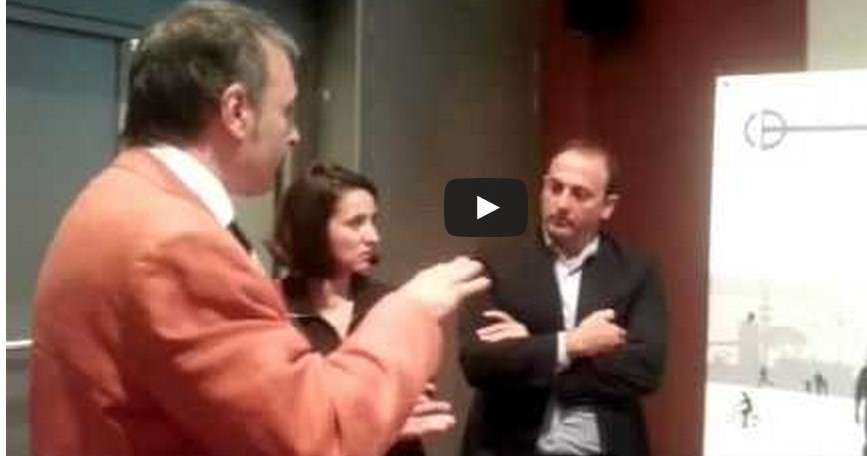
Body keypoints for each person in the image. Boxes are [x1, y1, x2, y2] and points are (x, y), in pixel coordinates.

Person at [28, 2, 488, 455]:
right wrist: (412, 309)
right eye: (286, 111)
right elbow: (314, 436)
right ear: (236, 110)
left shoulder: (115, 198)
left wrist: (370, 421)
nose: (294, 134)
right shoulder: (175, 242)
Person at [459, 140, 667, 456]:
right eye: (555, 188)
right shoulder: (495, 261)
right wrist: (571, 344)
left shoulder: (635, 269)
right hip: (508, 447)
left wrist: (532, 350)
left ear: (607, 206)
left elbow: (644, 370)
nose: (562, 203)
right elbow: (479, 361)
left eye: (579, 194)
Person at [270, 162, 453, 456]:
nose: (373, 236)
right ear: (312, 230)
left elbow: (414, 395)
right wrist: (372, 421)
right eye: (356, 223)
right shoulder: (270, 307)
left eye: (373, 221)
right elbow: (275, 413)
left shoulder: (392, 303)